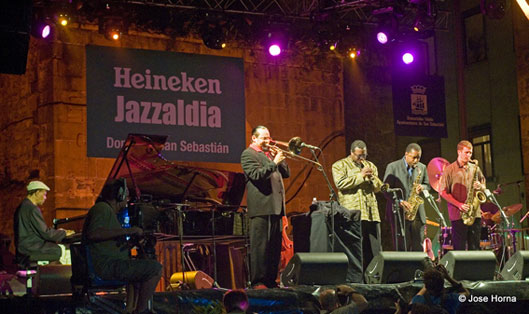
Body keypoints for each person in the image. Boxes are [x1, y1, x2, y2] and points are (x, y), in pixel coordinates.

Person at [82, 178, 162, 314]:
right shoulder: (101, 209)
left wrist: (131, 243)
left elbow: (109, 241)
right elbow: (93, 234)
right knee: (155, 268)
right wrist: (129, 230)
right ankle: (141, 311)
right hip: (107, 266)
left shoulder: (108, 212)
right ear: (119, 195)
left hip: (112, 263)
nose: (128, 199)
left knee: (141, 269)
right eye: (127, 195)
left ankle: (132, 309)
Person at [240, 125, 290, 289]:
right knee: (260, 248)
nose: (267, 141)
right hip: (261, 207)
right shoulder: (248, 154)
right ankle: (258, 282)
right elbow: (256, 175)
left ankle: (271, 280)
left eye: (268, 138)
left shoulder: (268, 155)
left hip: (275, 207)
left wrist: (280, 160)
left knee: (274, 248)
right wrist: (274, 163)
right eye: (263, 138)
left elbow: (286, 174)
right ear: (254, 138)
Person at [332, 140, 383, 269]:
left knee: (374, 248)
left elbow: (378, 189)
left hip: (371, 213)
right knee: (355, 249)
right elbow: (340, 184)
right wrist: (360, 175)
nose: (362, 158)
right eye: (359, 155)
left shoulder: (370, 165)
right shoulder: (339, 165)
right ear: (351, 152)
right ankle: (356, 278)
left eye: (364, 155)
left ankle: (375, 276)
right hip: (352, 213)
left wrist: (372, 179)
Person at [439, 140, 486, 250]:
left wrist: (480, 186)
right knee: (459, 248)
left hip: (475, 214)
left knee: (475, 248)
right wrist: (459, 204)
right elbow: (443, 192)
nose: (469, 155)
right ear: (459, 152)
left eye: (470, 153)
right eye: (466, 152)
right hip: (458, 214)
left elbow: (484, 187)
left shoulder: (475, 168)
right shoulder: (450, 169)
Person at [383, 143, 430, 252]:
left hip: (416, 213)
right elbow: (385, 190)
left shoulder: (421, 167)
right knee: (402, 247)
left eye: (419, 157)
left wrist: (422, 187)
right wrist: (399, 201)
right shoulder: (393, 167)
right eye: (414, 157)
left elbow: (427, 185)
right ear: (406, 154)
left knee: (418, 246)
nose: (416, 160)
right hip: (399, 213)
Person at [14, 180, 73, 264]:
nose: (45, 198)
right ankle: (58, 276)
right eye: (44, 194)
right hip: (32, 247)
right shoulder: (32, 209)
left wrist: (57, 232)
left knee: (58, 248)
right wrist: (63, 233)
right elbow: (45, 233)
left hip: (24, 247)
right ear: (37, 192)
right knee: (66, 251)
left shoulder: (22, 206)